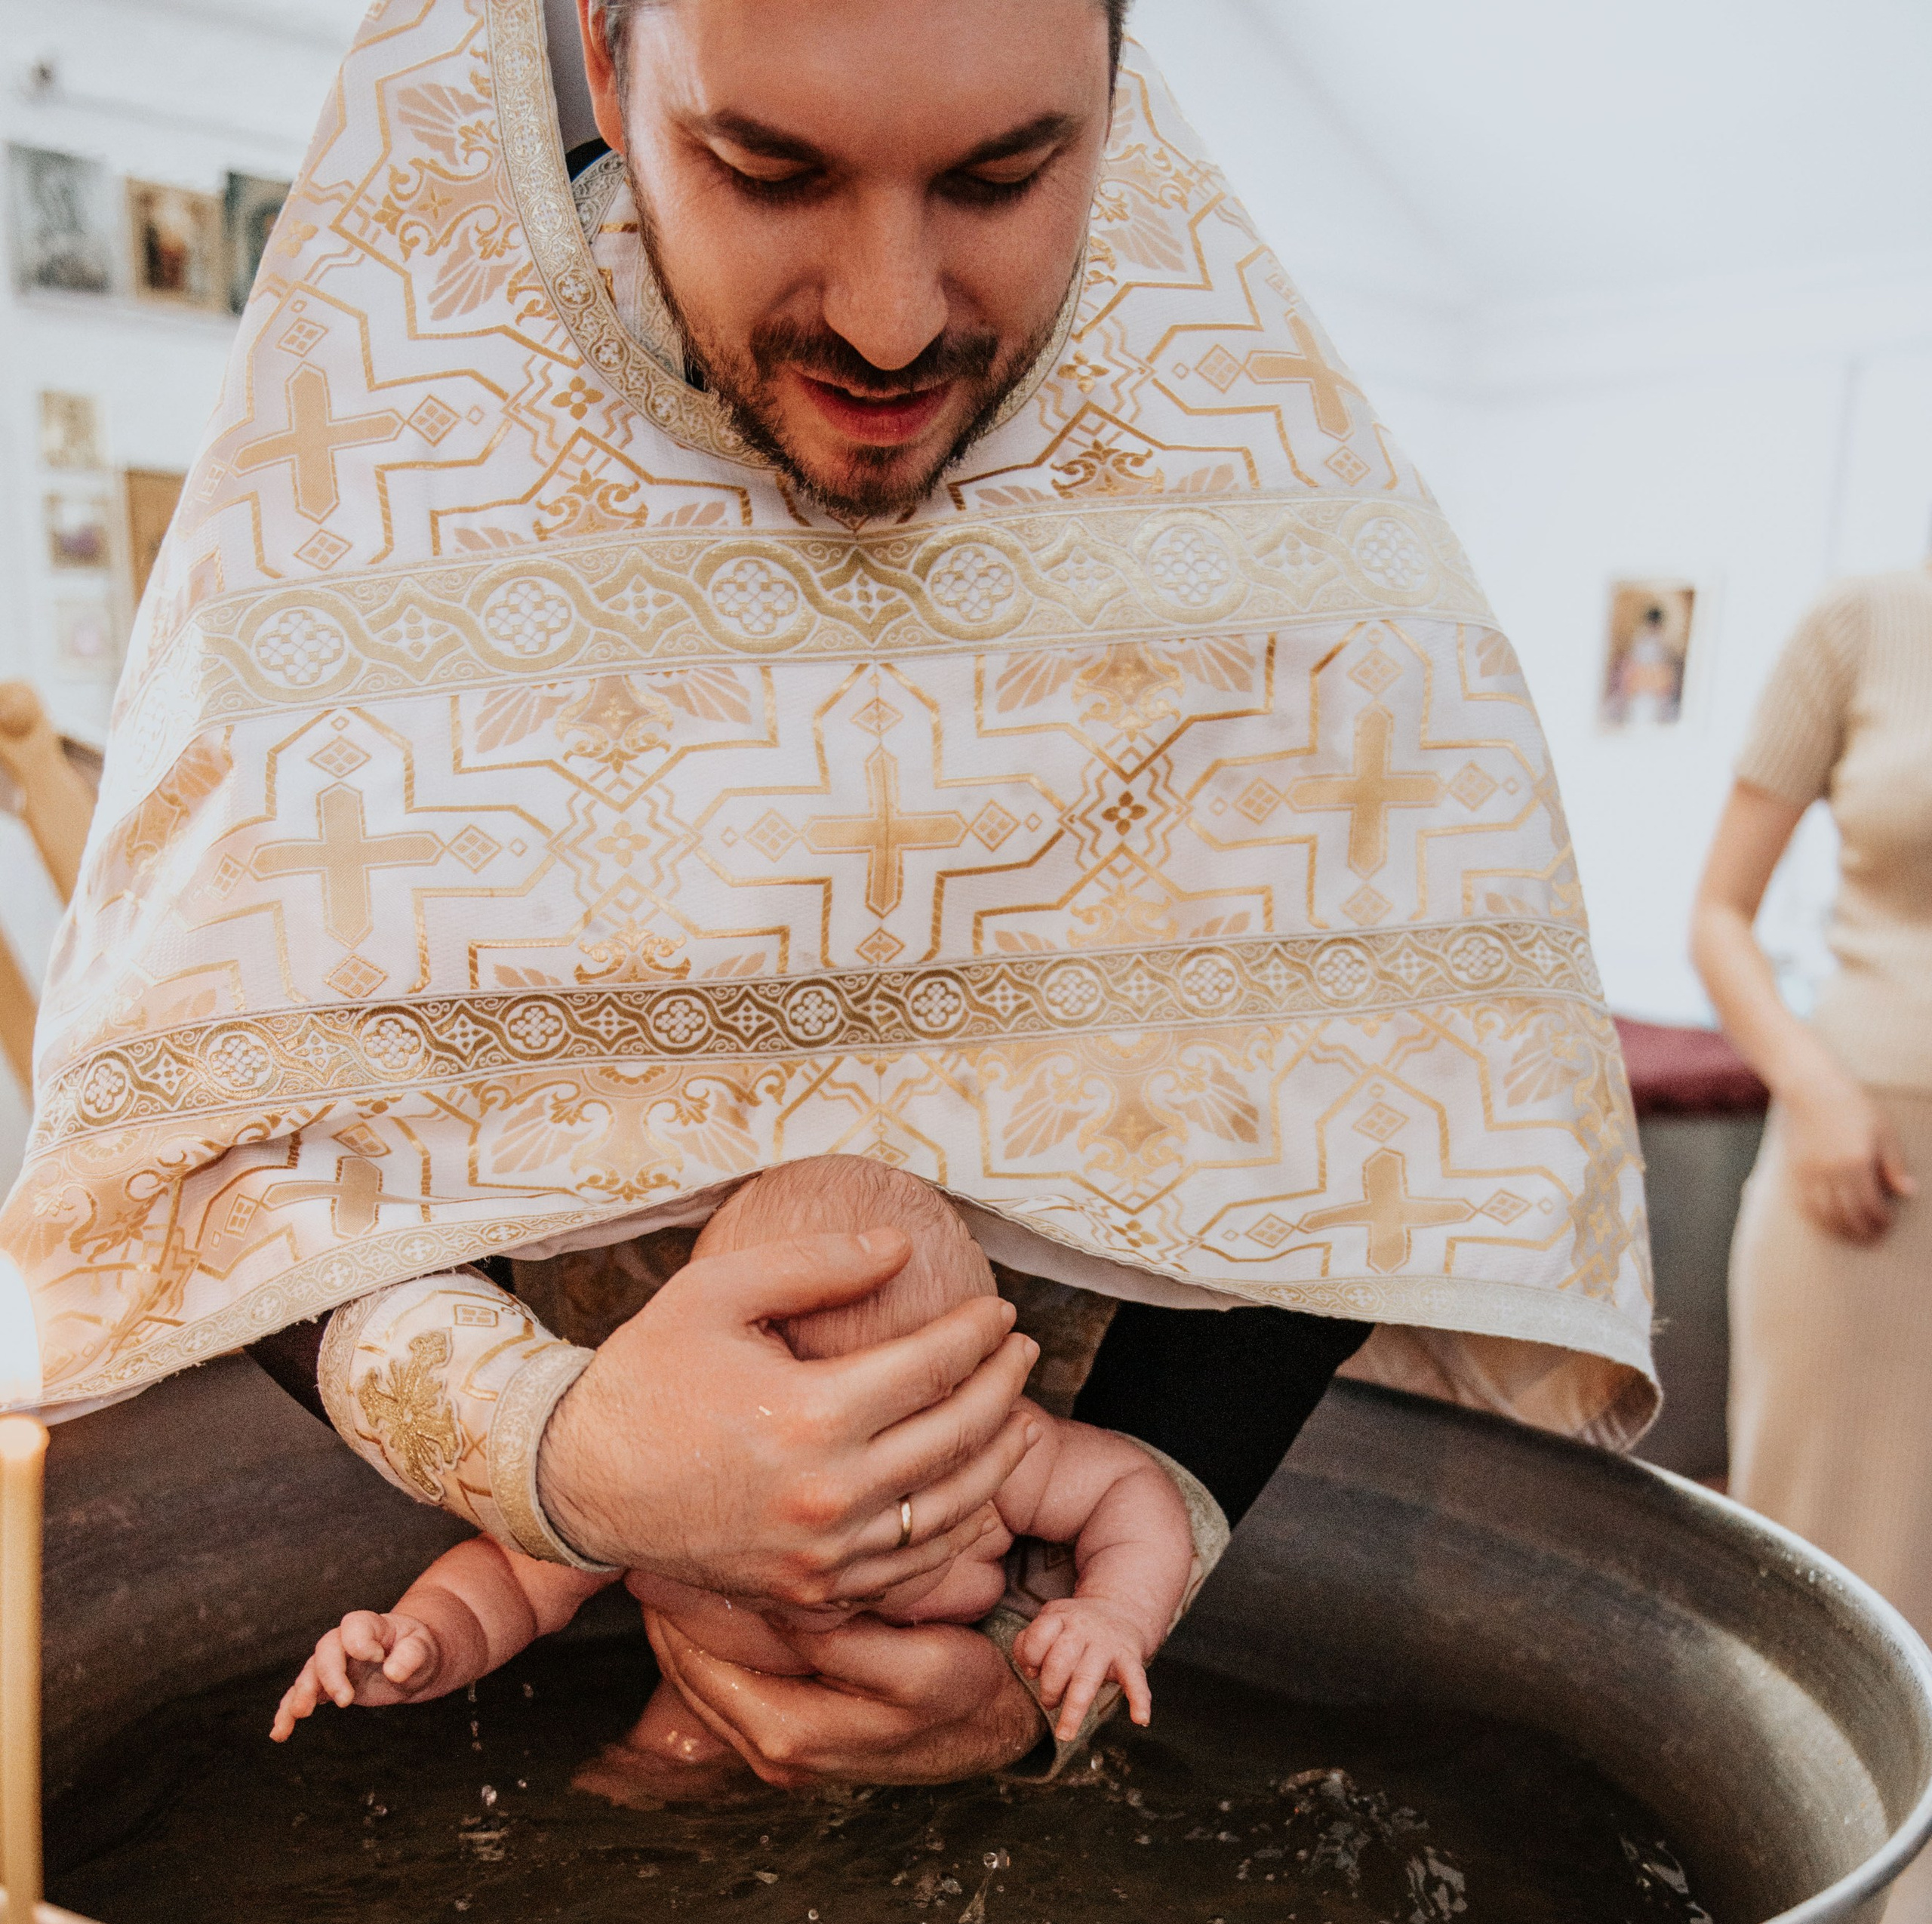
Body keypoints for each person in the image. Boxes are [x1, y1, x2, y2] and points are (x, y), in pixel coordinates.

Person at [3, 0, 1654, 1822]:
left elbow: (1376, 1112)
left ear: (1119, 86)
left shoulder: (1286, 542)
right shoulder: (362, 495)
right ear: (608, 65)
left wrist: (1050, 1632)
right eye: (768, 170)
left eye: (1002, 176)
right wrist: (553, 1445)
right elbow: (191, 1119)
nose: (887, 318)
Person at [272, 1157, 1210, 1771]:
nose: (829, 1470)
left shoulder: (1001, 1454)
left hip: (950, 1731)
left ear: (975, 1382)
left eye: (904, 1420)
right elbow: (511, 1584)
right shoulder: (663, 1485)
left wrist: (1114, 1613)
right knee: (646, 1783)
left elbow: (1132, 1490)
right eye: (777, 1414)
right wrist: (428, 1640)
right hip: (705, 1716)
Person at [1690, 559, 1932, 1924]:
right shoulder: (1863, 626)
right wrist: (1817, 1087)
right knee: (1840, 1575)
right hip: (1868, 1179)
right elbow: (1718, 914)